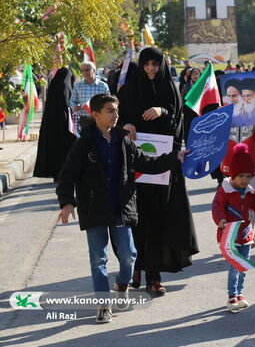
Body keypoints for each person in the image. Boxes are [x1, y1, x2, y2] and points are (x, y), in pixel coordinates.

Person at [56, 94, 189, 323]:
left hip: (120, 208)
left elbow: (147, 163)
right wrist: (67, 202)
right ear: (95, 114)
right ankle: (103, 304)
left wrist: (175, 158)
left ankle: (121, 284)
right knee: (98, 259)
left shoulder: (124, 140)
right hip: (94, 208)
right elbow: (67, 175)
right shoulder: (83, 144)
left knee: (129, 255)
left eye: (116, 110)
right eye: (110, 110)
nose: (115, 115)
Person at [118, 47, 199, 295]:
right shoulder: (130, 89)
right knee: (136, 220)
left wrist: (162, 111)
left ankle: (153, 275)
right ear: (141, 66)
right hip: (136, 167)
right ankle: (135, 267)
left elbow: (177, 122)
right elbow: (117, 118)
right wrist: (127, 124)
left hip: (163, 167)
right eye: (147, 64)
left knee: (157, 220)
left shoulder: (169, 89)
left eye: (155, 64)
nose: (151, 69)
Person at [212, 143, 255, 312]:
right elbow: (217, 206)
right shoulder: (225, 191)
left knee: (243, 266)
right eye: (240, 176)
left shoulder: (251, 192)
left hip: (246, 234)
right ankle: (232, 295)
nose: (244, 180)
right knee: (235, 266)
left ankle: (240, 294)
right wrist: (221, 219)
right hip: (230, 234)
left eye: (247, 176)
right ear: (233, 175)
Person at [34, 68, 77, 181]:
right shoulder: (65, 86)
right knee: (64, 148)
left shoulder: (53, 86)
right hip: (63, 123)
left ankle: (55, 173)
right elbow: (67, 103)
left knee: (53, 148)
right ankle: (65, 173)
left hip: (50, 123)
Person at [69, 61, 110, 135]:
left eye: (87, 70)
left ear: (94, 70)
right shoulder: (78, 86)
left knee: (99, 142)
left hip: (99, 119)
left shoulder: (103, 86)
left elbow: (108, 103)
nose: (84, 72)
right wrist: (75, 107)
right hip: (84, 120)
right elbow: (72, 101)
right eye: (82, 70)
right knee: (86, 143)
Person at [181, 67, 201, 142]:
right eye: (193, 74)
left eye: (197, 74)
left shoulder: (203, 86)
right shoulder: (186, 86)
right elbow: (182, 99)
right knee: (188, 132)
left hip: (199, 113)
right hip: (188, 112)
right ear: (190, 76)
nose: (195, 76)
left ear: (200, 75)